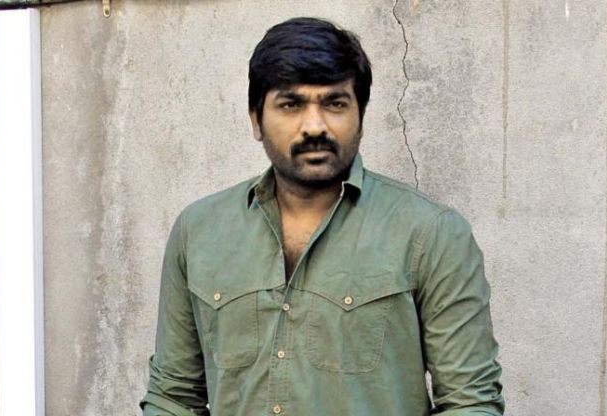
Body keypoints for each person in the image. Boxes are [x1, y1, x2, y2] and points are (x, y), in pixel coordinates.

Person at [140, 17, 504, 416]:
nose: (314, 126)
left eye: (334, 104)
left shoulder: (431, 233)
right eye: (291, 104)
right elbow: (173, 398)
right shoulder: (199, 231)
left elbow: (471, 402)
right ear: (256, 119)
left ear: (360, 116)